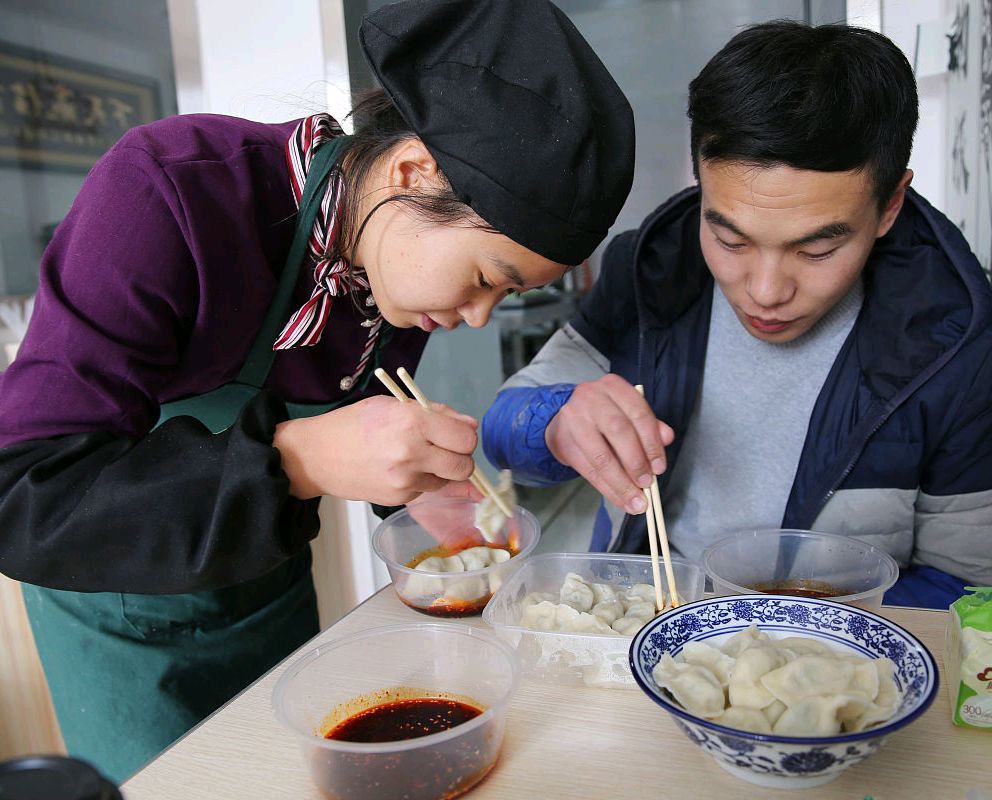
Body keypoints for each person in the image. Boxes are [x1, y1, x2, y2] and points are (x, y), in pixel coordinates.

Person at [0, 0, 634, 781]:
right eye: (482, 280)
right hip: (119, 601)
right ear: (412, 173)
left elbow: (357, 405)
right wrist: (294, 457)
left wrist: (412, 498)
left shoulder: (390, 259)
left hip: (267, 587)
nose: (474, 318)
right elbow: (23, 495)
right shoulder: (170, 192)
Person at [482, 21, 992, 610]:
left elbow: (981, 598)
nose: (767, 291)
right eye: (730, 240)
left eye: (817, 250)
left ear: (890, 205)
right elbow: (500, 434)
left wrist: (780, 644)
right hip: (642, 631)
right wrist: (554, 421)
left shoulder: (960, 350)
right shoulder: (652, 271)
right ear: (699, 186)